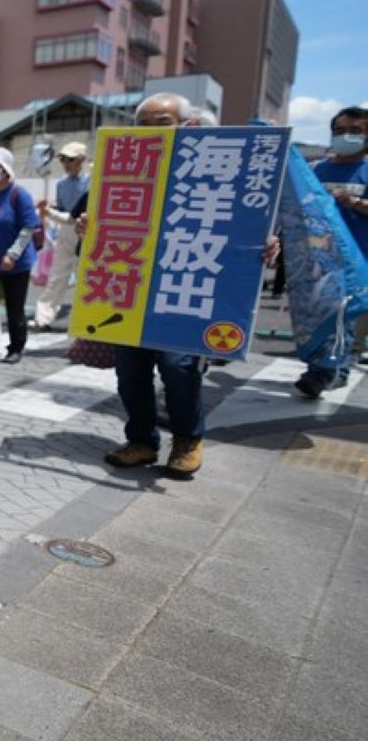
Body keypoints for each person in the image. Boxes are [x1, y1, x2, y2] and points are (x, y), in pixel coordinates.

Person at [94, 93, 278, 477]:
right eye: (141, 123)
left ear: (189, 126)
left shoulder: (222, 168)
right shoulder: (127, 165)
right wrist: (88, 225)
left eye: (160, 122)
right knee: (130, 371)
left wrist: (266, 243)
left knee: (179, 368)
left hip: (185, 286)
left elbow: (247, 218)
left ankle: (187, 439)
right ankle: (142, 441)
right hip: (136, 287)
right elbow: (97, 211)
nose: (148, 132)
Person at [297, 105, 368, 396]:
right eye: (339, 131)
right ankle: (334, 369)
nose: (345, 136)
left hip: (357, 260)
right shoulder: (315, 170)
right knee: (319, 317)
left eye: (355, 131)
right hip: (317, 259)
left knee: (342, 315)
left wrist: (352, 203)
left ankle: (323, 372)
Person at [0, 147, 39, 363]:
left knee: (14, 308)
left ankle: (16, 346)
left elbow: (29, 227)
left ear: (5, 170)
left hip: (16, 264)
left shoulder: (19, 195)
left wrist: (13, 254)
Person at [30, 141, 91, 331]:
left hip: (88, 230)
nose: (66, 163)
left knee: (88, 277)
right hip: (67, 230)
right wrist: (47, 210)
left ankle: (87, 318)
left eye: (70, 159)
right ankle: (44, 317)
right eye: (63, 159)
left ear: (82, 160)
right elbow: (65, 211)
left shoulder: (93, 181)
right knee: (57, 276)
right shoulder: (62, 184)